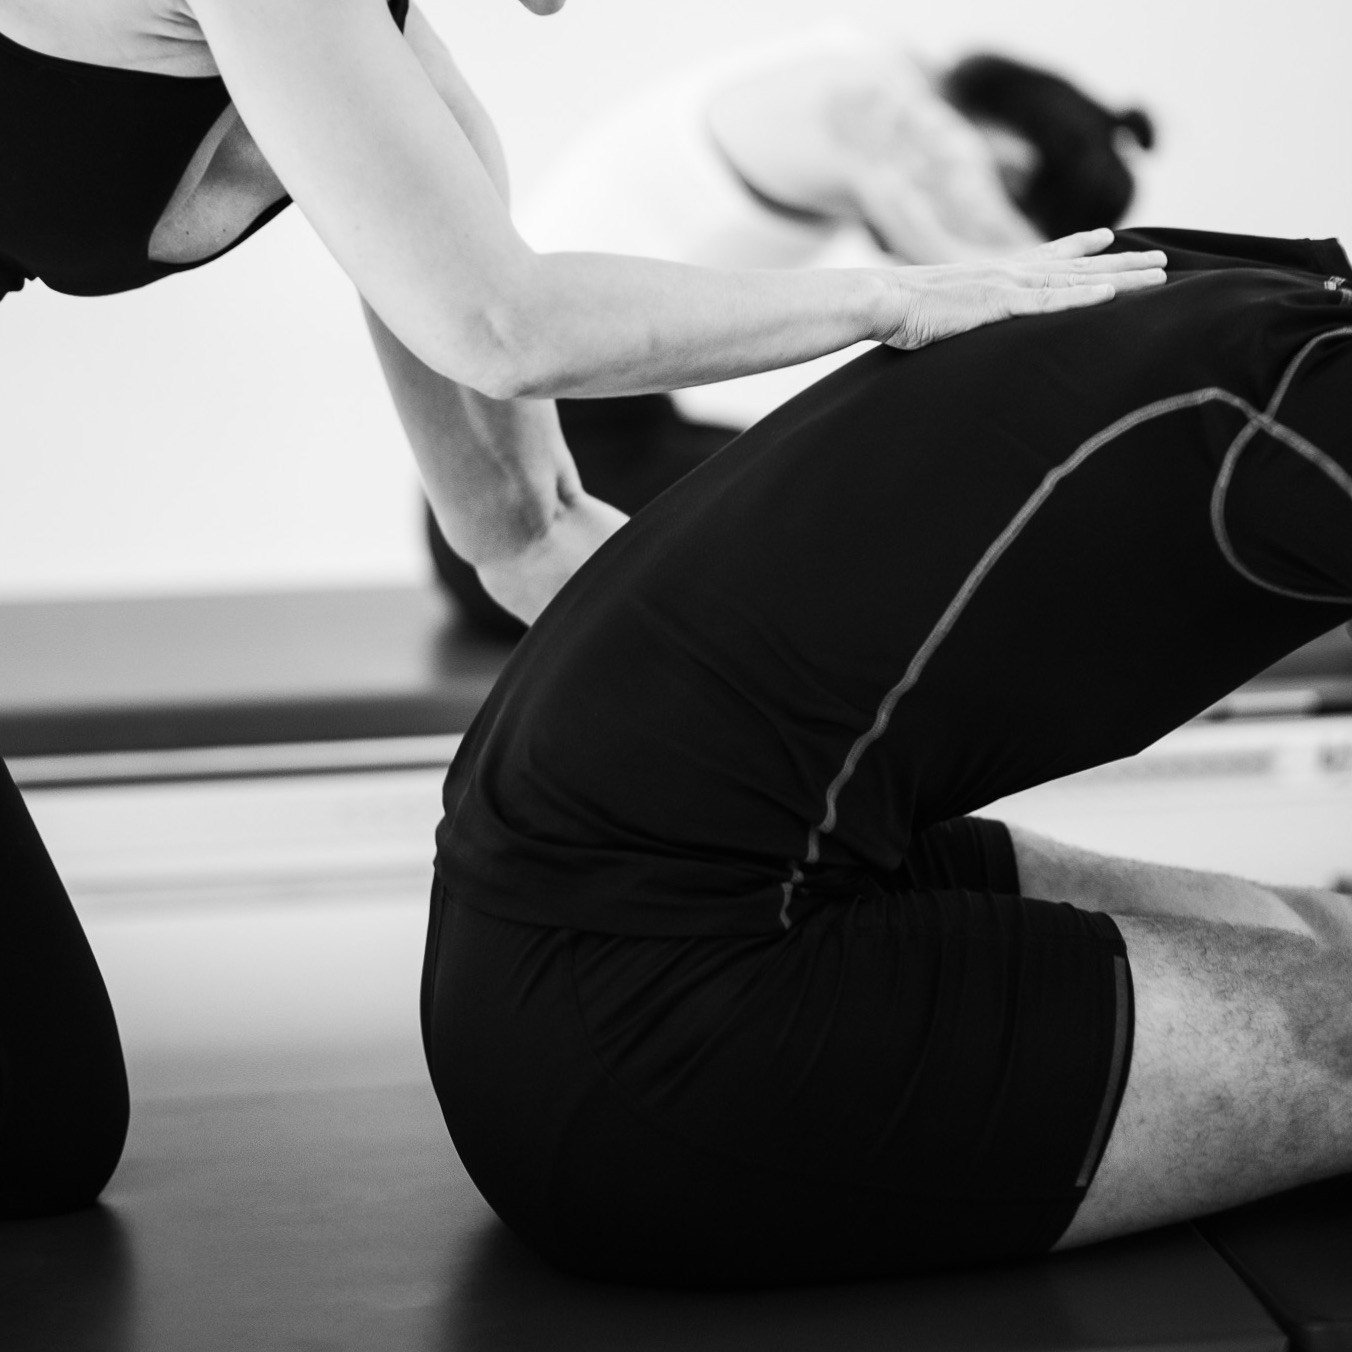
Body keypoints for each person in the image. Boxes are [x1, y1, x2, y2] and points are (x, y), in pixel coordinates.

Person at [0, 0, 1166, 1220]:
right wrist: (887, 297)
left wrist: (788, 780)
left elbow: (522, 531)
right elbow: (504, 324)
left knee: (45, 1130)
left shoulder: (395, 71)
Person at [423, 227, 1352, 1288]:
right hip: (665, 1032)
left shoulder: (1210, 276)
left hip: (619, 913)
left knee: (1315, 933)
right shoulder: (1303, 388)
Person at [428, 25, 1156, 633]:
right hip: (528, 480)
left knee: (897, 480)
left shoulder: (857, 78)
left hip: (592, 434)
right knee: (909, 509)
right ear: (1009, 158)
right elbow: (1017, 282)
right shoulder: (876, 107)